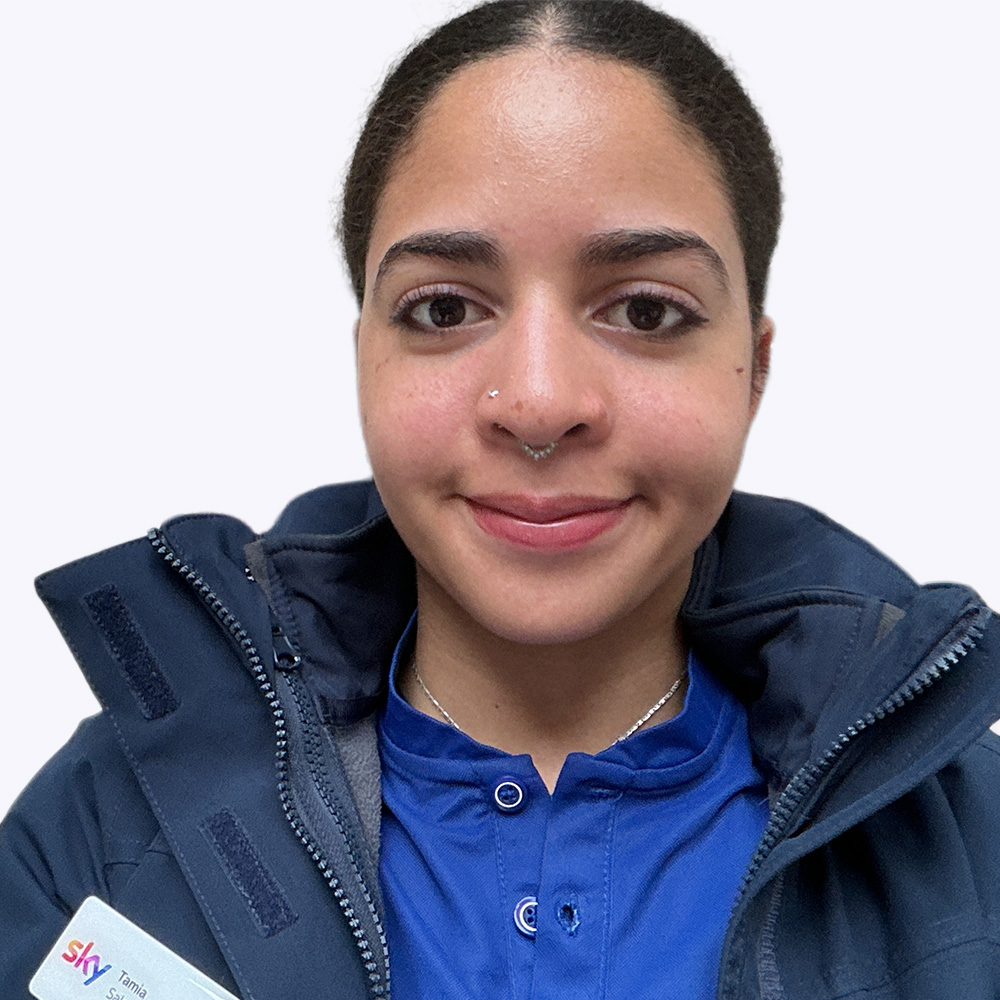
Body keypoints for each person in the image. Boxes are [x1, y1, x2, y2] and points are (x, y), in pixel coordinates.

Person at [2, 1, 999, 998]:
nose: (537, 401)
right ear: (365, 361)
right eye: (443, 309)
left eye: (646, 310)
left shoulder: (975, 844)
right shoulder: (96, 833)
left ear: (753, 369)